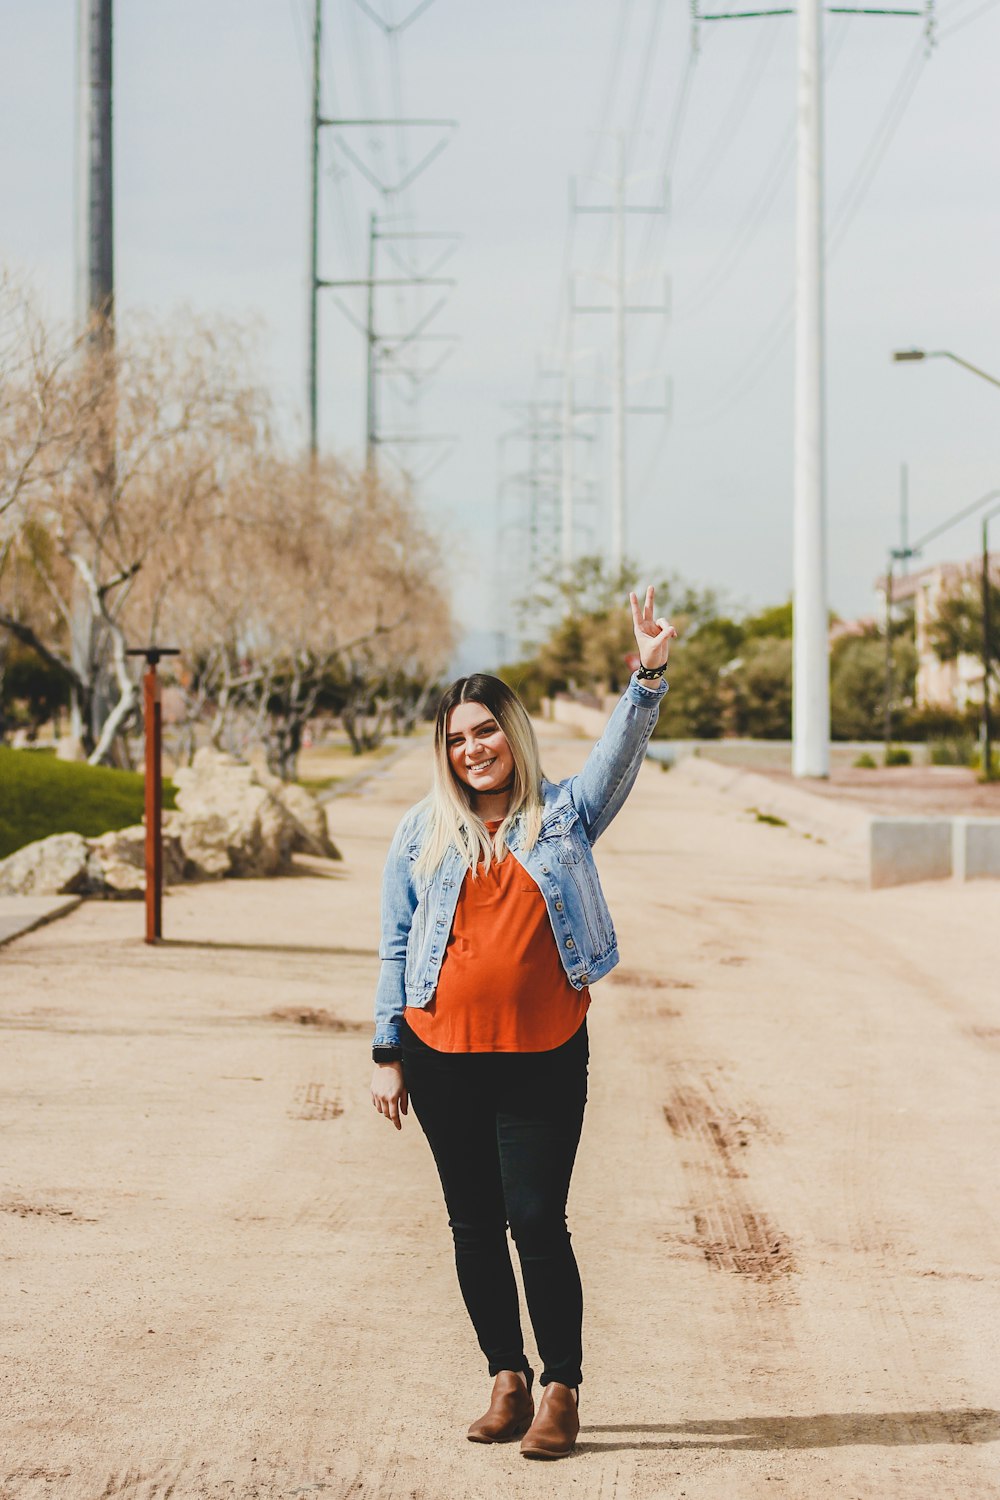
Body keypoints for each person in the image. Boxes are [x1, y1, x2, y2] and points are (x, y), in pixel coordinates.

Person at [370, 586, 676, 1460]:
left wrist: (647, 674)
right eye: (458, 739)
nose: (475, 749)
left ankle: (560, 1388)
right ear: (447, 752)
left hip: (543, 1057)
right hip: (441, 1060)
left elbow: (621, 751)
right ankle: (504, 1375)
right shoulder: (421, 833)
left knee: (537, 1220)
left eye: (487, 730)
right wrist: (387, 1049)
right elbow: (394, 945)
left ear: (514, 732)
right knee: (472, 1223)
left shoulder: (566, 816)